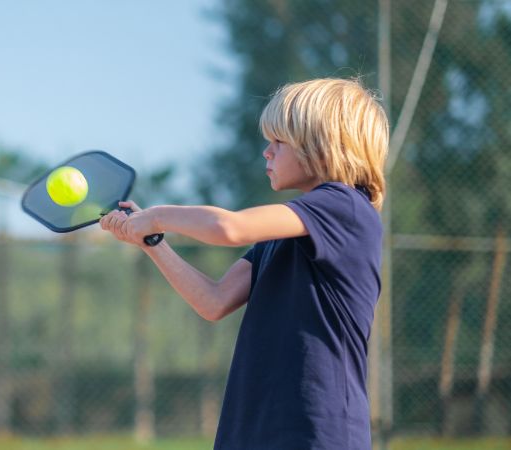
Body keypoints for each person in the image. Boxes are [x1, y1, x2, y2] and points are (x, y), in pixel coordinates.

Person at [100, 78, 388, 449]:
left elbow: (229, 227)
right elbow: (214, 301)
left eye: (278, 141)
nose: (267, 152)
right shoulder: (285, 234)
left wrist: (155, 216)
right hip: (256, 430)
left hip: (318, 432)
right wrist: (152, 242)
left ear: (323, 146)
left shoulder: (345, 207)